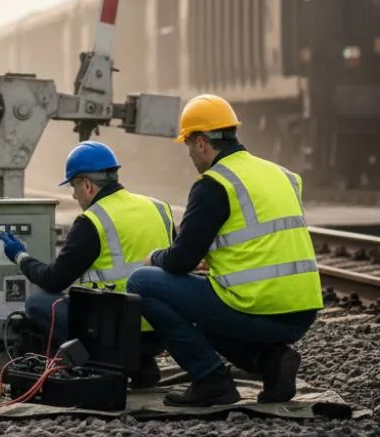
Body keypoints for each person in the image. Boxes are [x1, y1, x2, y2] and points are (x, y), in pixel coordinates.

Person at [125, 94, 322, 407]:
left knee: (143, 282)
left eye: (189, 146)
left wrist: (154, 258)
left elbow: (179, 261)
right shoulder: (282, 174)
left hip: (258, 308)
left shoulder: (214, 184)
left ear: (202, 142)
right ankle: (271, 363)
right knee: (202, 301)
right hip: (302, 311)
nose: (189, 155)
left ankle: (210, 380)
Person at [0, 141, 176, 386]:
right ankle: (142, 363)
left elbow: (53, 279)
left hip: (114, 335)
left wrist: (20, 256)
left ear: (87, 185)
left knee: (38, 303)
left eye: (73, 186)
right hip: (160, 329)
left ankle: (94, 365)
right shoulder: (159, 208)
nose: (73, 194)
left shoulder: (93, 220)